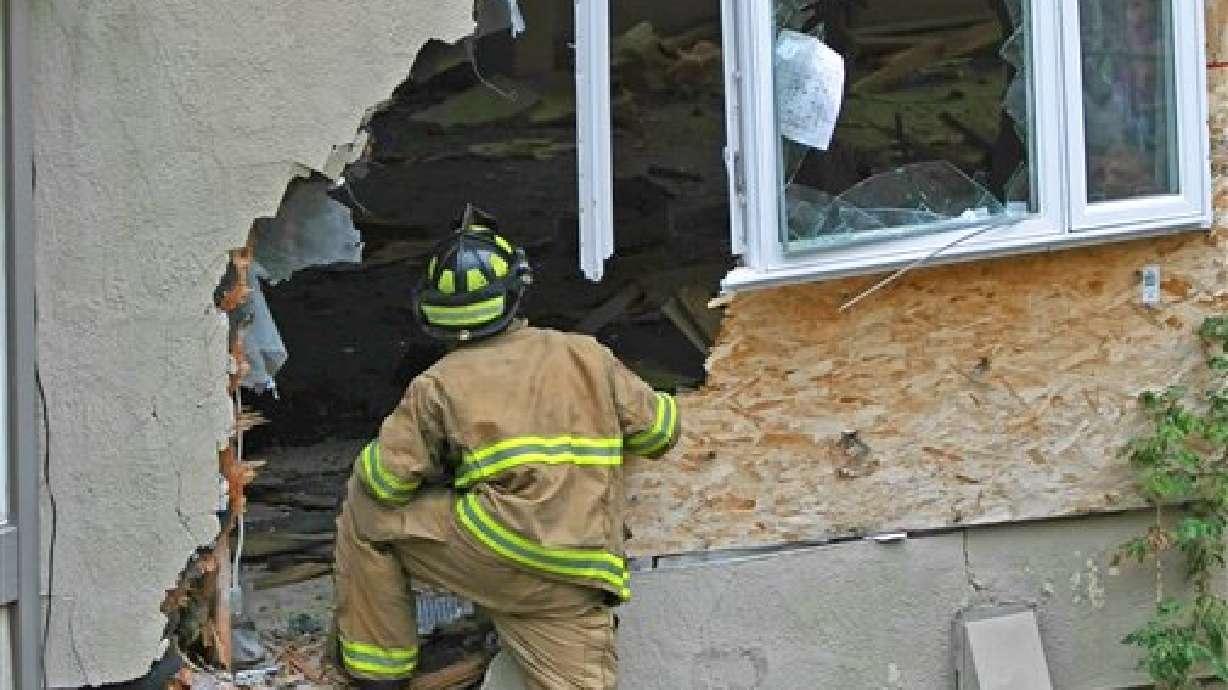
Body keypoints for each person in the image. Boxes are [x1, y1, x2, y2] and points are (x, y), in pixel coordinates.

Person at [332, 205, 680, 689]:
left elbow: (384, 483)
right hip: (581, 572)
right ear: (515, 290)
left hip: (500, 555)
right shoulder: (585, 354)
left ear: (434, 312)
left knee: (364, 513)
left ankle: (379, 671)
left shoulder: (437, 385)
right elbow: (661, 433)